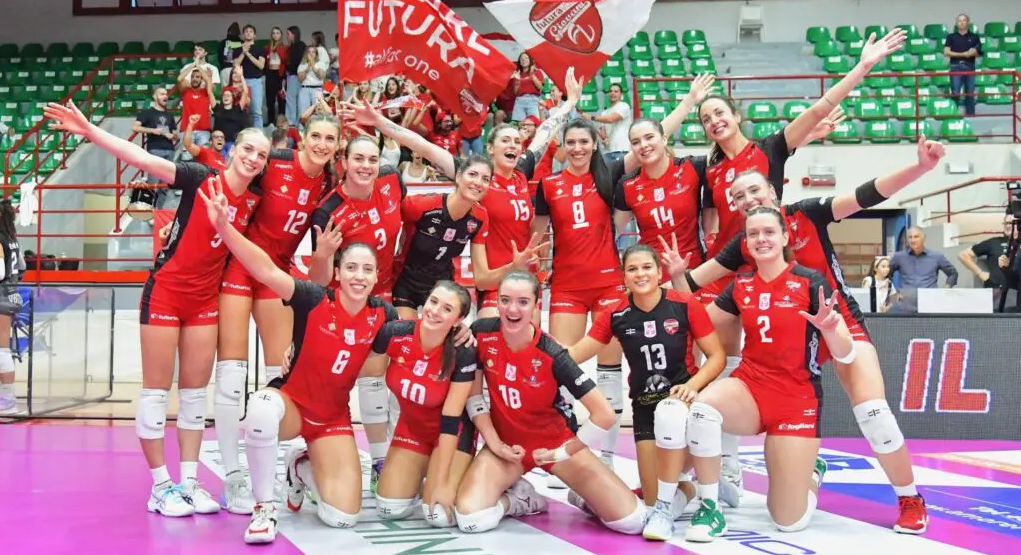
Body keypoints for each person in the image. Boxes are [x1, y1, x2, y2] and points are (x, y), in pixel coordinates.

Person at [667, 135, 945, 534]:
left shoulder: (807, 214)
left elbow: (867, 194)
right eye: (738, 196)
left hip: (836, 324)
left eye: (754, 190)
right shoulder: (746, 243)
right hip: (787, 343)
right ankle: (691, 484)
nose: (747, 199)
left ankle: (910, 498)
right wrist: (654, 288)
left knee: (873, 414)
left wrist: (921, 167)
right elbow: (691, 284)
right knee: (711, 410)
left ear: (773, 191)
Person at [692, 28, 906, 500]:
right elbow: (709, 231)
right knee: (730, 373)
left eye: (719, 113)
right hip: (742, 276)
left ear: (736, 115)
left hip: (791, 276)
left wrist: (862, 67)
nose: (714, 122)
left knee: (857, 403)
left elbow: (819, 107)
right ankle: (728, 470)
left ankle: (896, 490)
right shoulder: (709, 172)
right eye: (705, 118)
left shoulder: (770, 151)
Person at [45, 101, 270, 517]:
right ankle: (160, 487)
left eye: (261, 154)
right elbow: (143, 158)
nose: (253, 158)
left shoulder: (255, 201)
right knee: (155, 392)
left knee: (194, 396)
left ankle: (189, 483)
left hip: (204, 302)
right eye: (248, 149)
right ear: (232, 151)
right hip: (166, 293)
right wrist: (91, 131)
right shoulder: (202, 178)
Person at [202, 181, 397, 542]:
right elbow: (265, 270)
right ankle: (264, 509)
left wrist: (460, 331)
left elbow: (423, 337)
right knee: (261, 408)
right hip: (291, 405)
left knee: (342, 518)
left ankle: (301, 466)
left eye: (367, 270)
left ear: (375, 276)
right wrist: (224, 228)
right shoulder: (312, 297)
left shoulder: (384, 315)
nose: (359, 276)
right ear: (337, 273)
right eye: (351, 267)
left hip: (332, 419)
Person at [675, 207, 856, 541]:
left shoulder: (810, 281)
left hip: (796, 400)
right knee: (702, 409)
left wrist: (830, 329)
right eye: (753, 233)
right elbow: (698, 322)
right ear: (745, 242)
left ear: (785, 237)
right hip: (751, 386)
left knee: (788, 521)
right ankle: (710, 508)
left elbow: (846, 353)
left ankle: (811, 473)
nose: (761, 239)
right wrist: (677, 278)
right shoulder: (741, 284)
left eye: (769, 232)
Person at [454, 270, 648, 535]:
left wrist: (563, 453)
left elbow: (604, 414)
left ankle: (583, 496)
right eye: (505, 300)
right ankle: (519, 500)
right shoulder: (481, 333)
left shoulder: (553, 353)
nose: (512, 309)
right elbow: (475, 398)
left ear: (537, 305)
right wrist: (495, 444)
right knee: (471, 519)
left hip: (555, 445)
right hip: (507, 448)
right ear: (496, 301)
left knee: (632, 521)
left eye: (523, 302)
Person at [214, 114, 342, 515]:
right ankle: (233, 477)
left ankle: (292, 466)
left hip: (277, 274)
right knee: (231, 376)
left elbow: (320, 274)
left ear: (337, 145)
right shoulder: (275, 161)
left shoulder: (329, 184)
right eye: (315, 136)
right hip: (239, 267)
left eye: (329, 139)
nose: (321, 144)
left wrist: (324, 257)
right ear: (302, 138)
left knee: (284, 375)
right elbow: (232, 187)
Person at [566, 244, 726, 540]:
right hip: (645, 407)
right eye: (632, 269)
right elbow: (577, 353)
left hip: (681, 403)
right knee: (652, 503)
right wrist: (536, 349)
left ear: (659, 272)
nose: (640, 274)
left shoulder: (684, 304)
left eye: (646, 267)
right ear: (623, 277)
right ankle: (686, 488)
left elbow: (717, 357)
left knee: (674, 428)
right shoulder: (616, 313)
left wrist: (691, 386)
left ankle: (706, 479)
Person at [359, 281, 478, 527]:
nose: (435, 311)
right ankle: (424, 478)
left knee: (438, 517)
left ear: (458, 319)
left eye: (447, 309)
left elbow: (451, 420)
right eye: (433, 302)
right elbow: (354, 359)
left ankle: (477, 479)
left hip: (451, 436)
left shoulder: (462, 351)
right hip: (412, 430)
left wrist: (442, 483)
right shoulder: (395, 333)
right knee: (389, 508)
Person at [391, 156, 493, 319]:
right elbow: (387, 217)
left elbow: (482, 278)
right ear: (458, 176)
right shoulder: (423, 205)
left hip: (442, 287)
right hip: (406, 281)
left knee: (448, 332)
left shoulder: (480, 218)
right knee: (409, 330)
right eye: (472, 174)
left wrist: (515, 265)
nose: (478, 182)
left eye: (485, 179)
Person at [0, 199, 24, 415]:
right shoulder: (12, 239)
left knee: (2, 350)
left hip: (1, 297)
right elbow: (22, 267)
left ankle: (7, 402)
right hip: (13, 295)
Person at [889, 227, 959, 289]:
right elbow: (886, 274)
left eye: (916, 237)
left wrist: (947, 287)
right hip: (907, 298)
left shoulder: (937, 256)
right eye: (910, 237)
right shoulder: (899, 257)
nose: (913, 240)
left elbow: (953, 273)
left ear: (923, 238)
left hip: (930, 297)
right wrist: (892, 291)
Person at [944, 14, 981, 116]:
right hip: (955, 66)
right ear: (956, 23)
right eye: (959, 21)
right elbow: (946, 52)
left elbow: (977, 53)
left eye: (964, 20)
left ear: (968, 22)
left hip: (970, 66)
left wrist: (973, 52)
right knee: (955, 92)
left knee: (970, 93)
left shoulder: (975, 37)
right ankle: (954, 115)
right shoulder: (950, 37)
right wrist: (964, 54)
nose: (961, 22)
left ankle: (971, 116)